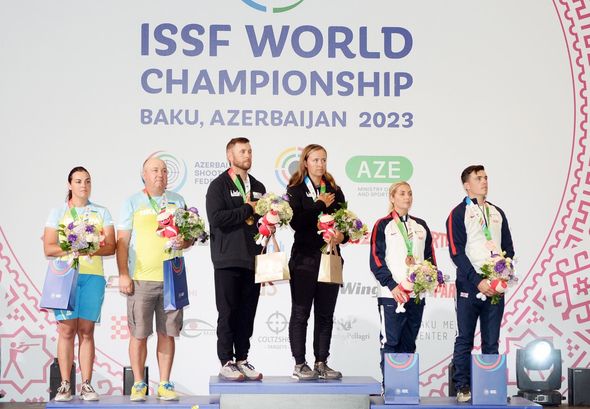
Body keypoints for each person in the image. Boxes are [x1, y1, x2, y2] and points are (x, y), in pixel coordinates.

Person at [117, 157, 193, 401]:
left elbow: (190, 236)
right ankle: (139, 384)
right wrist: (123, 274)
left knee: (167, 333)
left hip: (172, 277)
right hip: (141, 279)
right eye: (154, 170)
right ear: (144, 174)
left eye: (164, 170)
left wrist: (185, 241)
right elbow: (122, 242)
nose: (160, 174)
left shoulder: (177, 200)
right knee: (139, 334)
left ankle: (165, 383)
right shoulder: (132, 202)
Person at [43, 166, 116, 401]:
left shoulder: (101, 212)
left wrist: (90, 247)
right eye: (78, 181)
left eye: (87, 181)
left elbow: (111, 246)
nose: (83, 185)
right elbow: (49, 248)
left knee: (86, 331)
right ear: (69, 184)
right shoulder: (58, 212)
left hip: (92, 276)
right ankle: (65, 385)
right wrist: (73, 246)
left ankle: (86, 384)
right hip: (65, 276)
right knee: (66, 330)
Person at [446, 165, 515, 402]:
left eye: (485, 177)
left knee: (491, 341)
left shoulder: (497, 212)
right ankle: (463, 387)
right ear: (467, 185)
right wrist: (477, 281)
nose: (484, 181)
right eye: (478, 178)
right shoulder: (458, 213)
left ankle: (490, 388)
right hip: (469, 286)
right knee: (465, 338)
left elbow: (508, 248)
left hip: (495, 287)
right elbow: (456, 252)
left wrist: (501, 275)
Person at [206, 137, 267, 381]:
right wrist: (247, 209)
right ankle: (226, 361)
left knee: (247, 313)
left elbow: (262, 222)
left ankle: (242, 358)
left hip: (253, 260)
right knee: (228, 312)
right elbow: (216, 218)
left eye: (250, 151)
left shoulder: (259, 186)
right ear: (230, 156)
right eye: (242, 151)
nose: (247, 155)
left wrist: (270, 222)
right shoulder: (218, 185)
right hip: (227, 259)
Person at [286, 144, 347, 381]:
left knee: (325, 314)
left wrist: (342, 236)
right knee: (301, 312)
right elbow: (297, 223)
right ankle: (300, 364)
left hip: (330, 257)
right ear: (305, 162)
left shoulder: (334, 190)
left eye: (323, 160)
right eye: (315, 160)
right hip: (304, 260)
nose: (320, 164)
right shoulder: (295, 190)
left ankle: (321, 362)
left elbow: (345, 223)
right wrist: (319, 204)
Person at [369, 181, 436, 382]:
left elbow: (429, 258)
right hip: (392, 295)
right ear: (392, 198)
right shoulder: (383, 225)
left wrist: (429, 278)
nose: (407, 197)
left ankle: (405, 388)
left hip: (416, 295)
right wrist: (392, 285)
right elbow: (376, 259)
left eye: (409, 193)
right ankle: (390, 387)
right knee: (391, 342)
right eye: (402, 193)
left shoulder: (421, 225)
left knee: (409, 343)